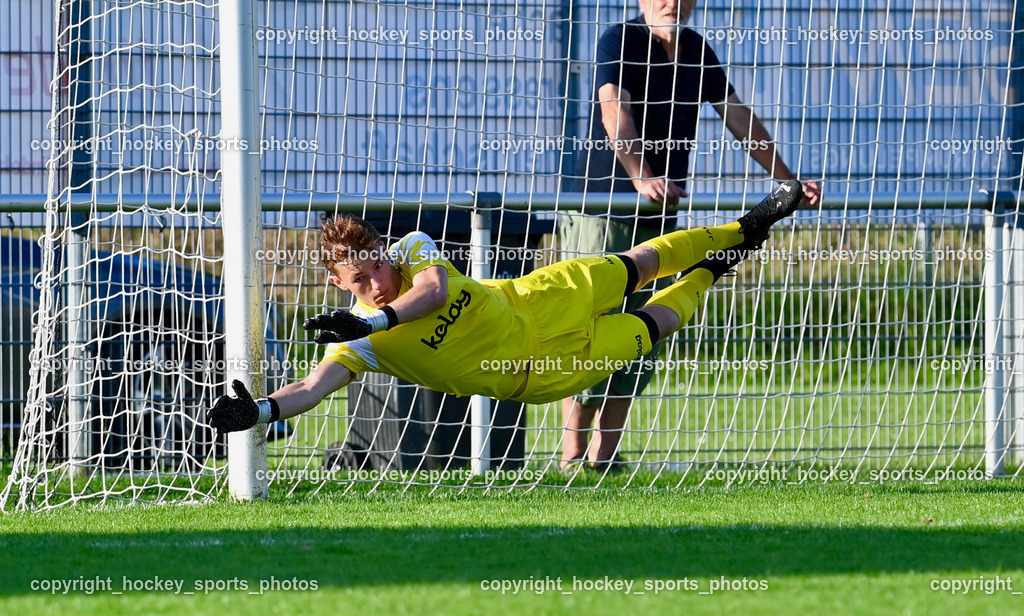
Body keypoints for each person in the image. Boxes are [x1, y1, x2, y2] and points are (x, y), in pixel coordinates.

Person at [207, 181, 804, 447]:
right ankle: (715, 268)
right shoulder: (359, 341)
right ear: (337, 282)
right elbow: (313, 386)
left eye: (378, 269)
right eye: (358, 281)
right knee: (657, 323)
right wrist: (258, 409)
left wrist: (375, 320)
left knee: (640, 259)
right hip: (540, 371)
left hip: (538, 296)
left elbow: (436, 293)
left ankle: (748, 224)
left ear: (385, 253)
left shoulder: (414, 250)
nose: (376, 284)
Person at [558, 0, 822, 470]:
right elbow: (611, 106)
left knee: (642, 330)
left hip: (660, 217)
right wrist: (640, 175)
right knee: (589, 326)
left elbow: (737, 115)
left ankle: (605, 458)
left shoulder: (698, 50)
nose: (671, 3)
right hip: (604, 211)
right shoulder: (621, 39)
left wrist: (787, 180)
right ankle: (571, 455)